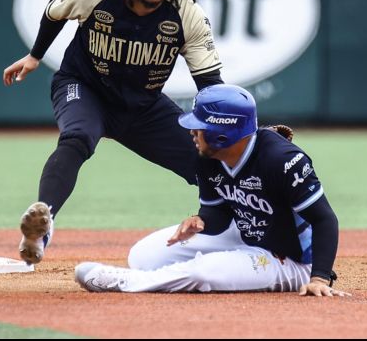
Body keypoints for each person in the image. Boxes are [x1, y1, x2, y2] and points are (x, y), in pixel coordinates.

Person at [3, 0, 223, 265]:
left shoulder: (186, 13)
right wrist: (35, 55)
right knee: (77, 137)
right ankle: (42, 224)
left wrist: (228, 133)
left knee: (209, 162)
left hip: (143, 105)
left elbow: (209, 83)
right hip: (84, 87)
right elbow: (54, 12)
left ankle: (234, 232)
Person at [74, 84, 350, 297]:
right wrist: (201, 220)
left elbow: (324, 219)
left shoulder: (282, 159)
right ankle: (174, 271)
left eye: (199, 127)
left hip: (291, 261)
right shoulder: (208, 158)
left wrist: (319, 278)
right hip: (246, 234)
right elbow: (217, 212)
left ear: (223, 133)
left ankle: (128, 283)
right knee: (143, 255)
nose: (193, 134)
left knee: (205, 273)